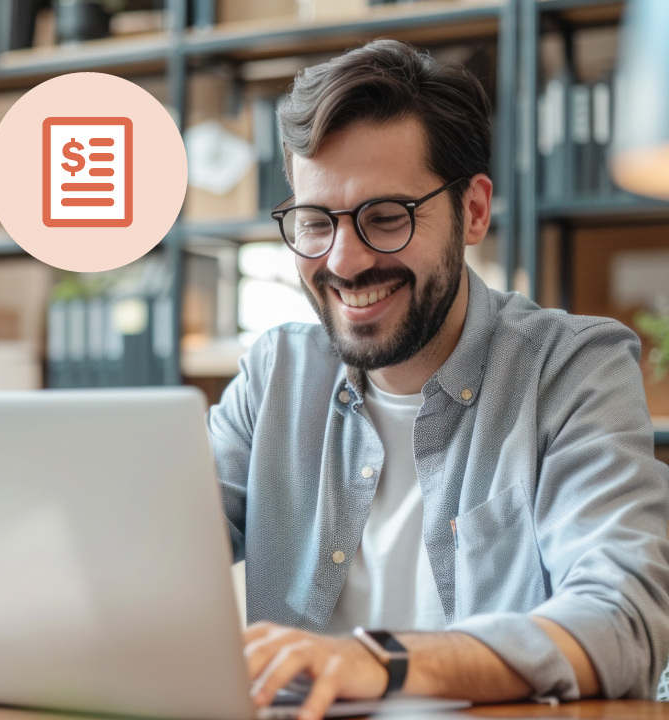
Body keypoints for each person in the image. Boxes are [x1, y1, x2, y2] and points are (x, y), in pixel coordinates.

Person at [207, 39, 669, 719]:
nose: (345, 260)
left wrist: (381, 663)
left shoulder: (573, 370)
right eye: (314, 222)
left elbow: (624, 619)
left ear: (473, 212)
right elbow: (146, 560)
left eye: (386, 218)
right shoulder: (276, 373)